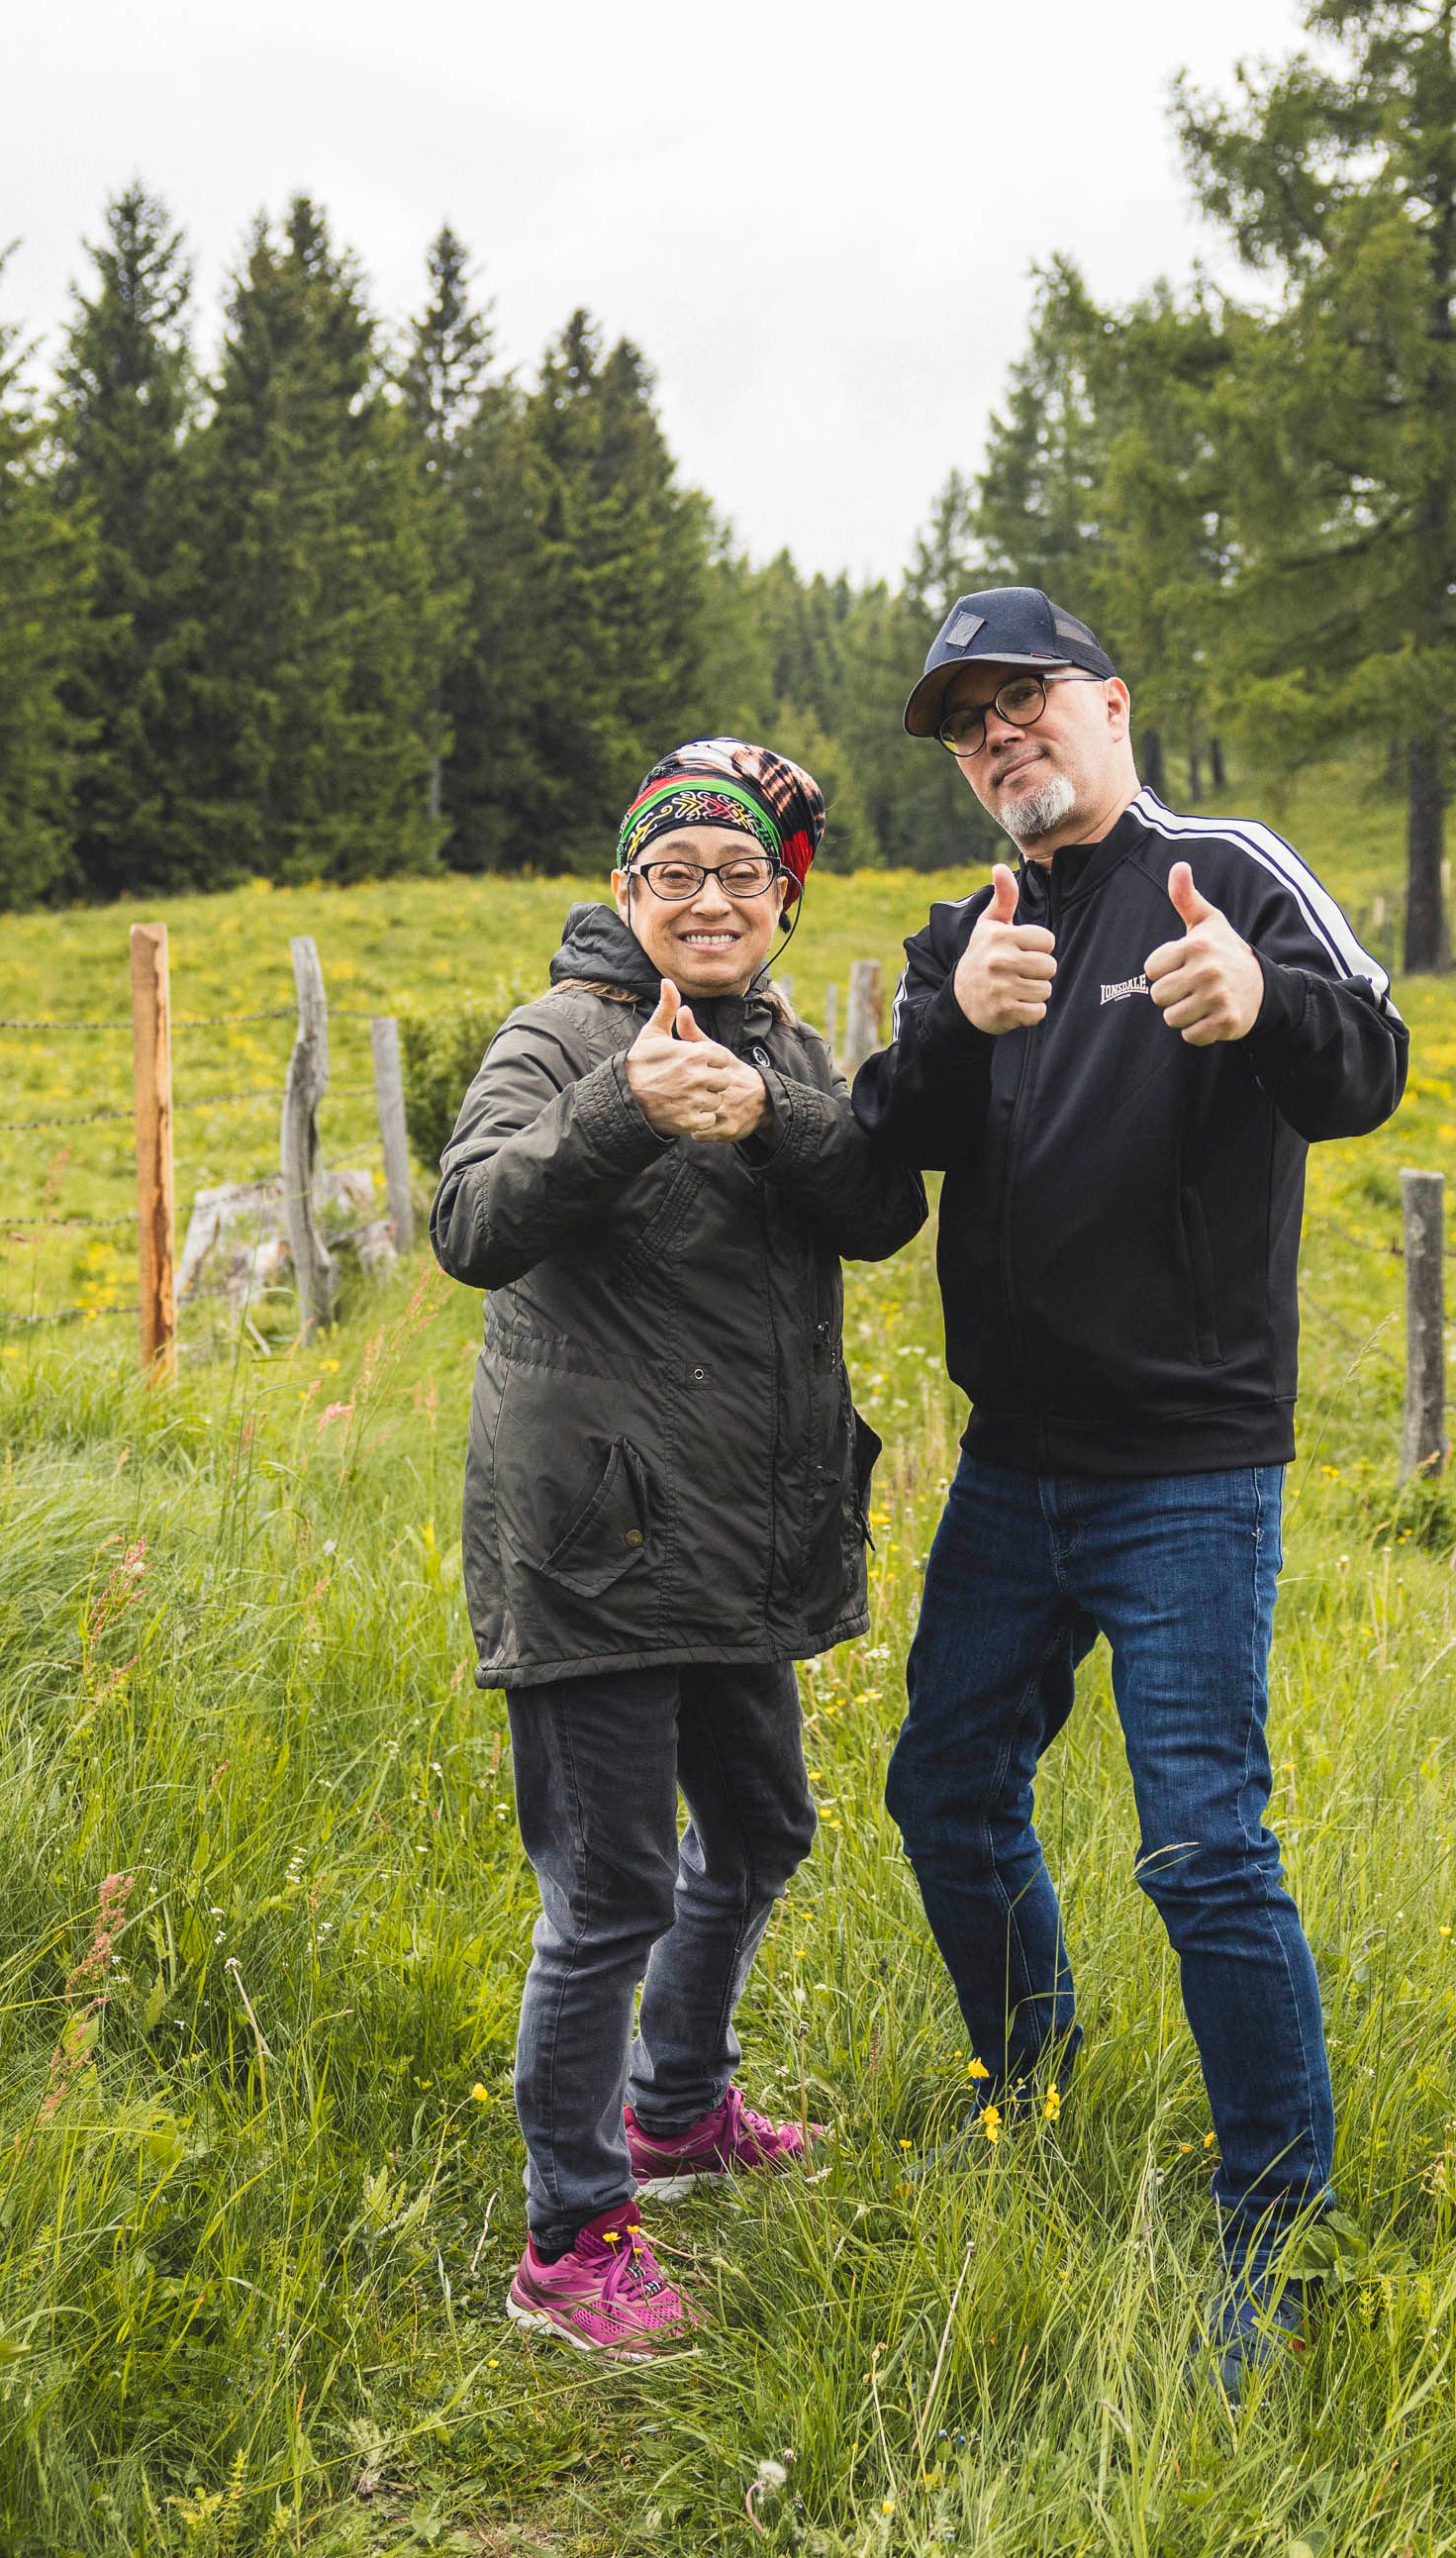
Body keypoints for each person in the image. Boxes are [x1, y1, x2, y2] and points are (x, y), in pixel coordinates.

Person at [850, 587, 1408, 2381]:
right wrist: (956, 1024)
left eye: (1026, 700)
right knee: (945, 1787)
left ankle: (1275, 2228)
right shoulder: (972, 926)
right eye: (968, 721)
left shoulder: (1228, 869)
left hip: (1185, 1469)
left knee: (1202, 1849)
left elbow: (1371, 1068)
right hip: (1013, 1468)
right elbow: (882, 1164)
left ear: (1109, 702)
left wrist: (1260, 1008)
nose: (1000, 735)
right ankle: (1024, 2086)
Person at [433, 738, 926, 2363]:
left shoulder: (786, 1041)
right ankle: (570, 2236)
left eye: (740, 878)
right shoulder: (558, 1034)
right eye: (674, 876)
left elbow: (872, 1205)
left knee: (767, 1828)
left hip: (739, 1537)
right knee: (611, 1891)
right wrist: (622, 1112)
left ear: (783, 900)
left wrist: (771, 1116)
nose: (709, 902)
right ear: (629, 892)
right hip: (595, 1540)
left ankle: (680, 2108)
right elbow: (470, 1224)